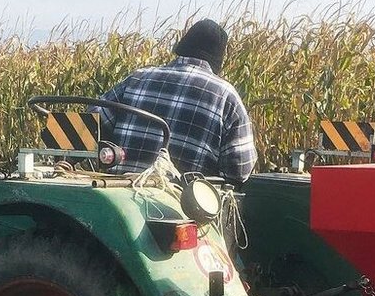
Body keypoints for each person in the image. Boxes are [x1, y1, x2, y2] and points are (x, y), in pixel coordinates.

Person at [98, 19, 258, 183]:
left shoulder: (136, 78)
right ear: (218, 59)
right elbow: (240, 170)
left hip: (117, 192)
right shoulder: (226, 96)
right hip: (180, 197)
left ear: (182, 46)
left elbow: (93, 123)